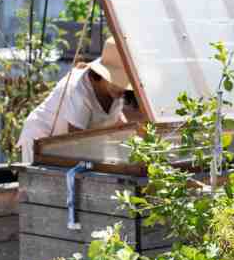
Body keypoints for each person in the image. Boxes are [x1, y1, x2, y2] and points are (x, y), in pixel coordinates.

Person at [18, 36, 143, 164]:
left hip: (67, 145)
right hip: (42, 139)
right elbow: (77, 143)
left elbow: (118, 125)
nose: (122, 86)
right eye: (117, 80)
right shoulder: (79, 89)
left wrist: (139, 146)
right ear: (102, 73)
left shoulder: (115, 92)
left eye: (125, 81)